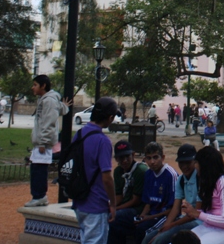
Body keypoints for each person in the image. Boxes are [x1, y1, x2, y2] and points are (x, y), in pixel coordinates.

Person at [109, 141, 178, 244]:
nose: (152, 162)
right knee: (118, 224)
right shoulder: (148, 174)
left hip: (164, 216)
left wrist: (147, 217)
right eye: (149, 158)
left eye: (155, 157)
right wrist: (141, 217)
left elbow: (174, 208)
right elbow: (148, 203)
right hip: (152, 214)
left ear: (162, 157)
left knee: (143, 231)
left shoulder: (170, 175)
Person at [72, 97, 118, 244]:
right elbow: (107, 178)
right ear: (110, 118)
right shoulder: (102, 141)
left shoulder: (78, 135)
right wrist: (112, 203)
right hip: (96, 203)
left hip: (79, 200)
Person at [26, 74, 71, 207]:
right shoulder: (46, 100)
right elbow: (59, 110)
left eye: (35, 85)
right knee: (36, 168)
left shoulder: (48, 101)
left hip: (43, 143)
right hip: (41, 142)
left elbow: (49, 121)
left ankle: (39, 196)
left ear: (43, 86)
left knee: (39, 169)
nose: (33, 87)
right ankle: (38, 195)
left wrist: (43, 142)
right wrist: (64, 106)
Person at [181, 146, 224, 244]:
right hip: (207, 227)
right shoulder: (209, 183)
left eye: (197, 163)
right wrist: (192, 211)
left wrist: (198, 214)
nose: (195, 167)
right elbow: (207, 214)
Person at [145, 144, 202, 244]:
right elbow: (176, 208)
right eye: (181, 163)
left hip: (199, 221)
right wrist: (163, 228)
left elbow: (195, 214)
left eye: (187, 162)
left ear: (195, 161)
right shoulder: (181, 179)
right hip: (186, 218)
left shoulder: (200, 179)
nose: (184, 166)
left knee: (159, 241)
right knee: (148, 238)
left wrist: (171, 225)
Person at [110, 139, 148, 232]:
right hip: (125, 206)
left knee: (114, 217)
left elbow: (135, 200)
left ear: (133, 155)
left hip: (137, 209)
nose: (125, 161)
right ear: (116, 159)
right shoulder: (118, 171)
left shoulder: (140, 171)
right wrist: (110, 206)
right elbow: (119, 196)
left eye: (127, 156)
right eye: (121, 158)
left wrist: (116, 209)